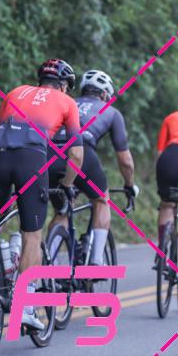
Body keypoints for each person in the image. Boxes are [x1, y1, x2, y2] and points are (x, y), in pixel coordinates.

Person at [0, 59, 83, 330]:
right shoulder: (67, 102)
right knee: (32, 233)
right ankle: (25, 307)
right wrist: (66, 184)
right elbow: (76, 154)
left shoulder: (16, 92)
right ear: (63, 85)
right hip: (30, 158)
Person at [48, 69, 138, 267]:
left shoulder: (67, 102)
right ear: (105, 94)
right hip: (82, 153)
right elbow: (125, 160)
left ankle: (49, 264)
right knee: (101, 200)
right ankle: (96, 260)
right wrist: (129, 185)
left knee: (62, 210)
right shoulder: (111, 112)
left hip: (50, 155)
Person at [156, 109, 178, 274]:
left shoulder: (170, 117)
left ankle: (162, 251)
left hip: (168, 158)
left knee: (167, 205)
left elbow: (159, 152)